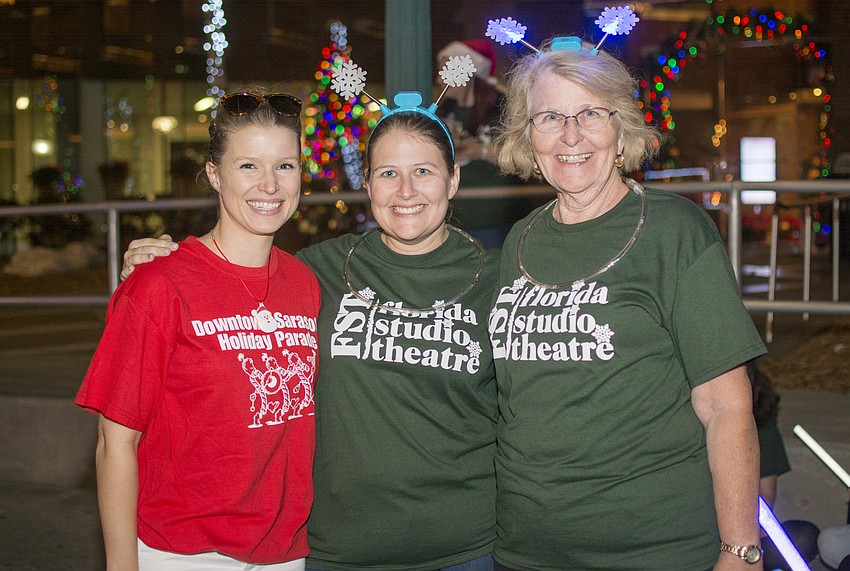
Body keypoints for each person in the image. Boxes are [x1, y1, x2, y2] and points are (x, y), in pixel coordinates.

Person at [121, 102, 500, 570]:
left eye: (423, 171)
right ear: (366, 184)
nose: (406, 191)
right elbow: (223, 280)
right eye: (387, 173)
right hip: (337, 551)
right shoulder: (315, 271)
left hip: (462, 548)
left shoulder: (500, 280)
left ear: (454, 180)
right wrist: (153, 264)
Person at [487, 36, 767, 570]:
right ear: (529, 136)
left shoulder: (676, 231)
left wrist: (741, 549)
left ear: (621, 129)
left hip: (653, 548)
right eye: (549, 117)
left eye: (590, 112)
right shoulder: (519, 241)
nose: (570, 135)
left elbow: (725, 406)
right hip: (528, 549)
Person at [76, 88, 321, 570]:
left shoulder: (304, 282)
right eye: (248, 165)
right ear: (214, 174)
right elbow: (115, 443)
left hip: (284, 552)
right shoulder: (159, 284)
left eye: (285, 166)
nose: (269, 185)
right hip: (184, 553)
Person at [435, 39, 531, 249]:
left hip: (497, 222)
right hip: (453, 220)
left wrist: (479, 150)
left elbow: (524, 157)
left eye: (445, 72)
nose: (439, 80)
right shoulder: (443, 112)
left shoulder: (502, 108)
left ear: (468, 73)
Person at [749, 361, 820, 569]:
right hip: (700, 535)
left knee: (805, 536)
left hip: (746, 535)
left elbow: (765, 501)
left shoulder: (762, 426)